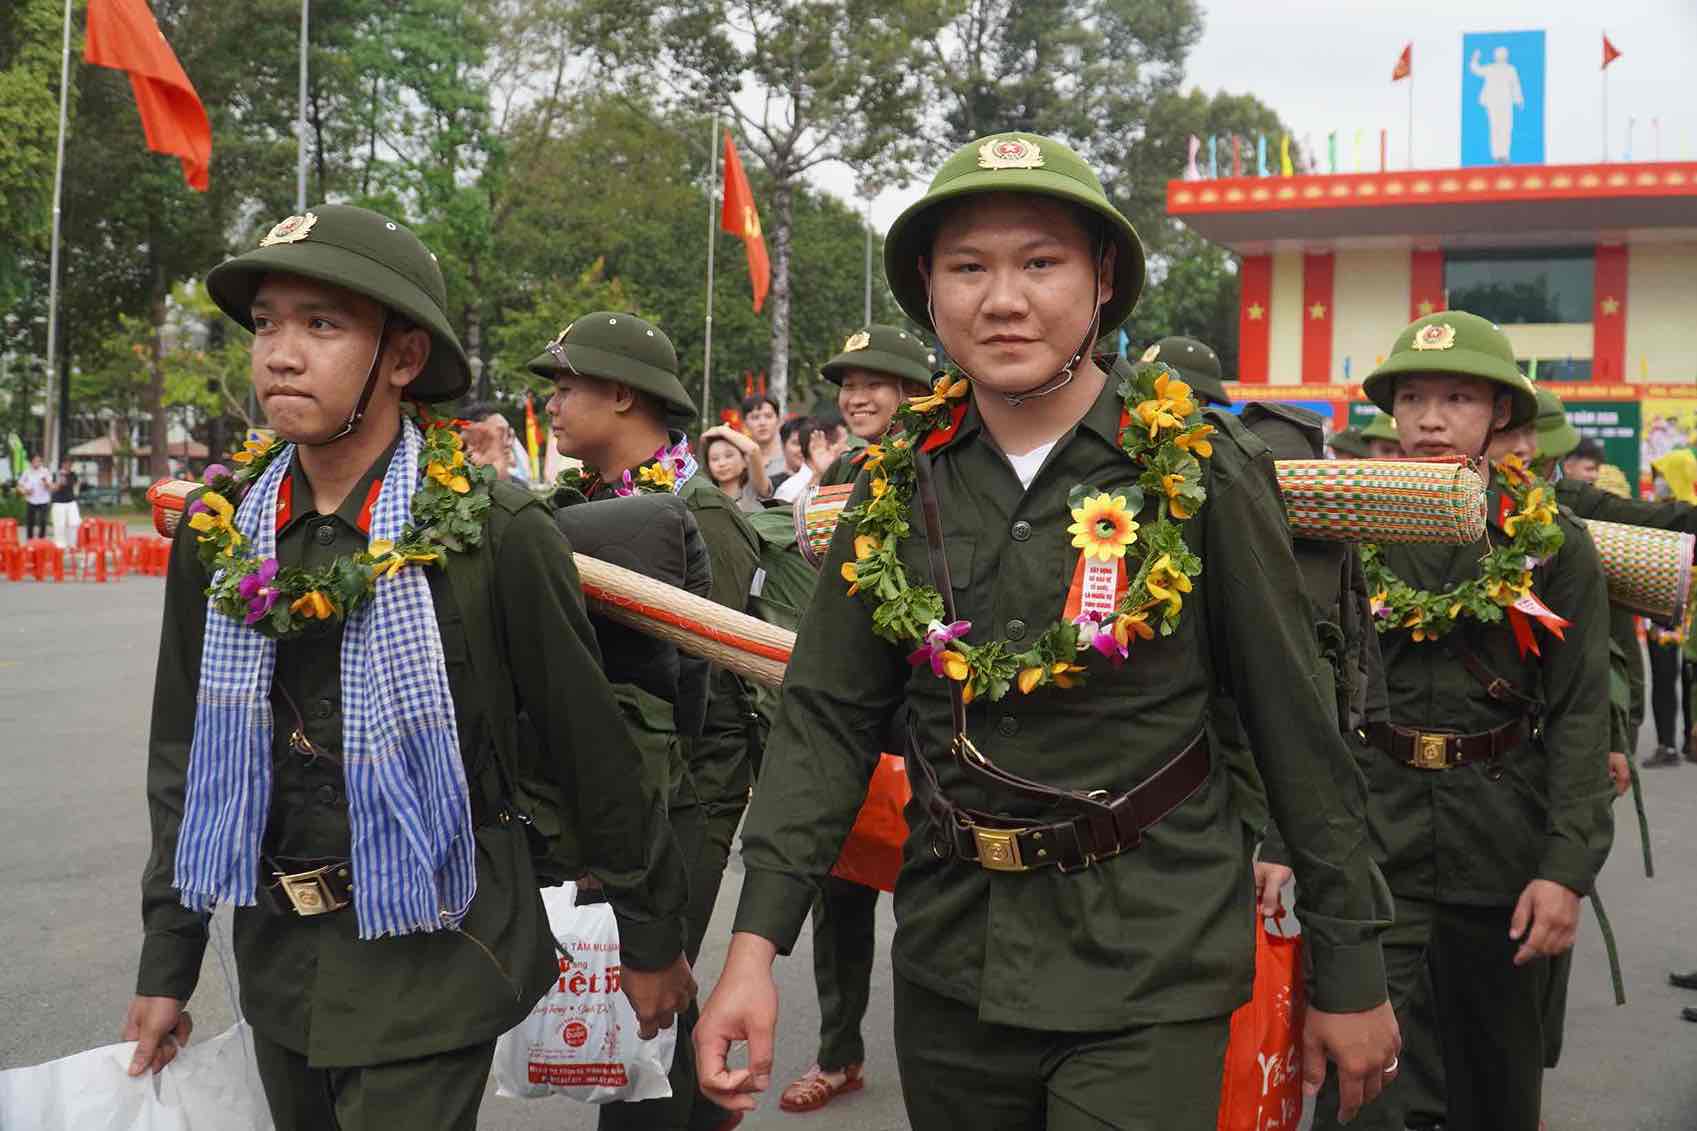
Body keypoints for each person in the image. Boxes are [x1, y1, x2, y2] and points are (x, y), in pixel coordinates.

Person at [694, 131, 1398, 1130]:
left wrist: (1351, 965)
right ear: (929, 295)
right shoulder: (898, 479)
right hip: (950, 961)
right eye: (967, 268)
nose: (1002, 299)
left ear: (1101, 278)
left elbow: (1295, 727)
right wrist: (752, 954)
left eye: (1039, 262)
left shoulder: (1199, 472)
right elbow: (825, 722)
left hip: (1147, 963)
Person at [123, 205, 694, 1131]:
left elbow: (590, 747)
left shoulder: (493, 532)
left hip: (440, 947)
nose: (279, 353)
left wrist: (650, 934)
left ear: (402, 357)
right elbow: (184, 753)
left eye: (322, 324)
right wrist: (167, 959)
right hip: (278, 953)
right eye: (267, 322)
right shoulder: (220, 531)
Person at [1315, 310, 1614, 1131]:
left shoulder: (1554, 543)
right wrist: (1280, 843)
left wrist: (1566, 866)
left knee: (1496, 1090)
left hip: (1501, 849)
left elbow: (1582, 711)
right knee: (1359, 1090)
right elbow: (1301, 699)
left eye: (1456, 397)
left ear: (1500, 416)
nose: (1431, 418)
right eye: (1411, 397)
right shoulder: (1341, 531)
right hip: (1373, 843)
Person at [537, 311, 760, 1131]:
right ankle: (709, 1100)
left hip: (685, 800)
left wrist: (680, 830)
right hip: (621, 789)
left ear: (623, 393)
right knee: (645, 1010)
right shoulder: (583, 502)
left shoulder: (701, 516)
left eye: (565, 388)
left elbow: (722, 683)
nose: (551, 407)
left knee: (644, 1014)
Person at [773, 324, 935, 1115]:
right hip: (854, 718)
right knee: (838, 903)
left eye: (875, 383)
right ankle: (838, 1054)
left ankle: (941, 1067)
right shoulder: (843, 469)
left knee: (929, 909)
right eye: (848, 385)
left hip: (932, 716)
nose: (857, 397)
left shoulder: (944, 458)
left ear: (912, 391)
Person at [700, 424, 771, 512]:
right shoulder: (706, 498)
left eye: (728, 456)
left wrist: (721, 431)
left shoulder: (754, 489)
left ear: (745, 461)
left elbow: (753, 450)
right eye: (714, 459)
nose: (722, 464)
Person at [460, 401, 531, 486]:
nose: (509, 443)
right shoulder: (454, 489)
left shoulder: (522, 488)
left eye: (508, 434)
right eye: (500, 435)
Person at [742, 393, 786, 480]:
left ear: (778, 420)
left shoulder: (790, 453)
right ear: (745, 423)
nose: (762, 423)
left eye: (768, 416)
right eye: (755, 417)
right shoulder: (740, 458)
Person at [16, 452, 51, 541]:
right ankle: (30, 541)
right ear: (31, 462)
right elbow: (19, 486)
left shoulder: (45, 471)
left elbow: (50, 486)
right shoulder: (27, 472)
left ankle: (41, 540)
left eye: (39, 461)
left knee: (43, 521)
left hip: (43, 500)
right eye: (35, 461)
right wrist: (25, 491)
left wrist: (45, 482)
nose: (37, 463)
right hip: (31, 500)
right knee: (30, 522)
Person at [49, 460, 80, 548]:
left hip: (71, 501)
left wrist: (76, 492)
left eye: (70, 464)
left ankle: (72, 544)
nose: (69, 466)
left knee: (74, 523)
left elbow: (76, 485)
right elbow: (55, 488)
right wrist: (61, 477)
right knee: (60, 525)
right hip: (59, 502)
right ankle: (60, 545)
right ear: (62, 464)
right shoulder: (57, 474)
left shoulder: (73, 474)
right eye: (66, 464)